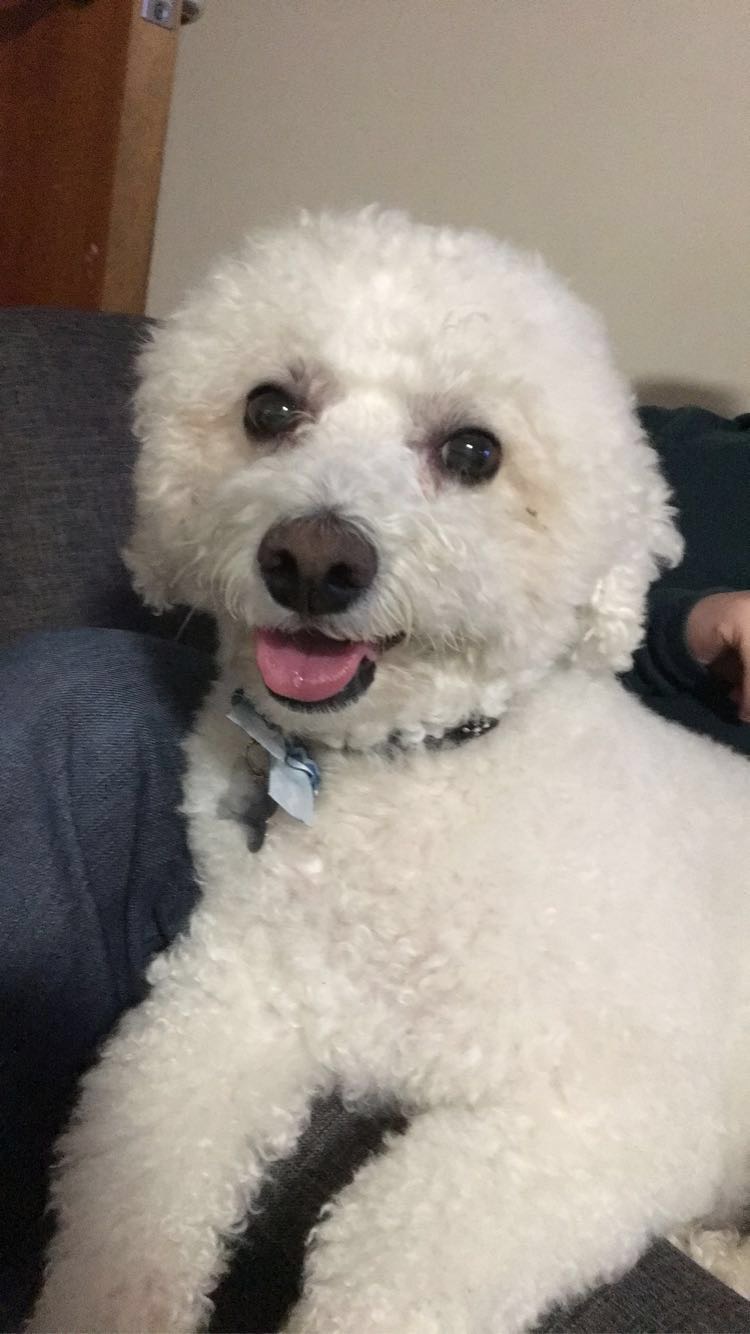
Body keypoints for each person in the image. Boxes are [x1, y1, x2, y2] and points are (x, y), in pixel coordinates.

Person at [1, 406, 749, 1332]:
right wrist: (694, 628)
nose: (325, 527)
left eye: (465, 455)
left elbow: (633, 1119)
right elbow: (234, 1001)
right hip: (304, 783)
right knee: (72, 695)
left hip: (620, 930)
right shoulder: (696, 449)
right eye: (279, 413)